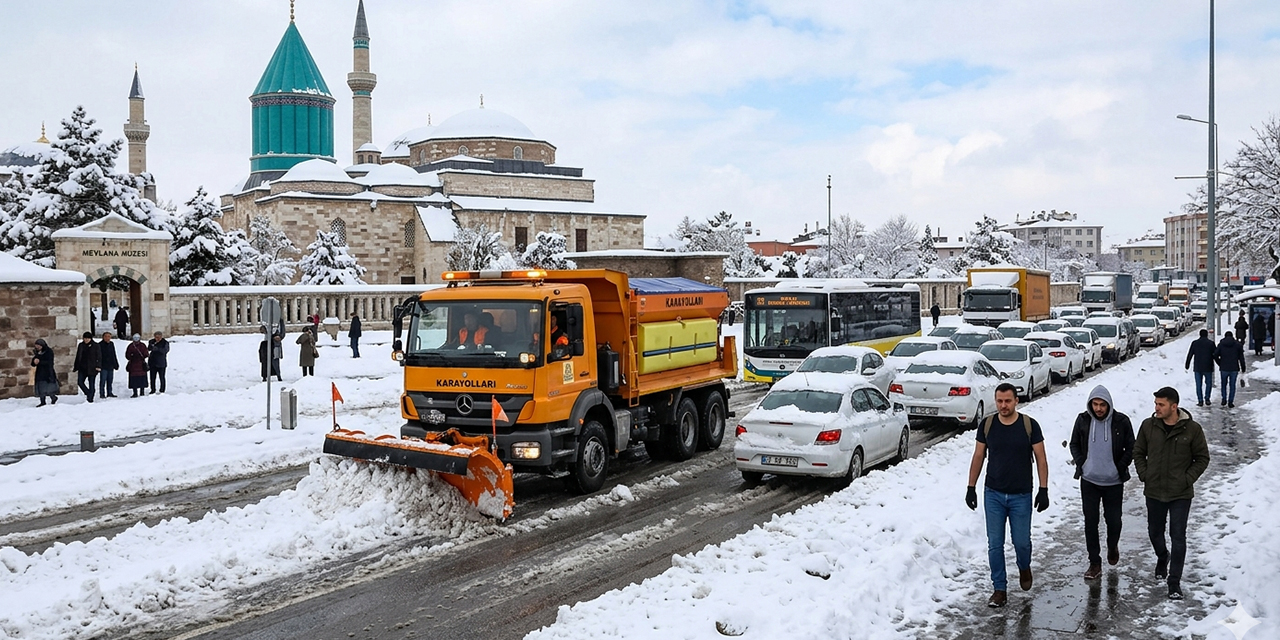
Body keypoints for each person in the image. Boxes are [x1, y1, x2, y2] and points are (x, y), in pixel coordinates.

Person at [966, 383, 1050, 608]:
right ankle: (999, 589)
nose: (1003, 405)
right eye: (1000, 401)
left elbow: (1041, 458)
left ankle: (1024, 566)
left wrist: (1044, 489)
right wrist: (971, 487)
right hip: (993, 493)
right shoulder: (988, 424)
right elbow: (978, 456)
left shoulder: (1029, 425)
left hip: (1021, 495)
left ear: (1016, 401)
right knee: (995, 544)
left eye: (1007, 401)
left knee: (1021, 543)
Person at [1134, 387, 1209, 600]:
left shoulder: (1192, 429)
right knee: (1154, 532)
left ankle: (1174, 582)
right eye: (1156, 404)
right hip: (1154, 490)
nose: (1156, 408)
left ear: (1173, 406)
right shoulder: (1148, 426)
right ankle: (1162, 556)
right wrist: (1145, 474)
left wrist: (1187, 479)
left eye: (1161, 404)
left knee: (1178, 536)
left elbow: (1202, 458)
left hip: (1180, 494)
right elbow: (1138, 452)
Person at [1069, 385, 1135, 580]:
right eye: (1095, 404)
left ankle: (1112, 545)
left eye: (1102, 405)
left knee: (1114, 521)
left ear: (1109, 404)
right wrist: (1083, 462)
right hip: (1089, 480)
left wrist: (1120, 466)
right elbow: (1073, 443)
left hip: (1114, 482)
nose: (1098, 408)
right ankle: (1094, 562)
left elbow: (1131, 446)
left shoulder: (1121, 421)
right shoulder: (1083, 420)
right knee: (1091, 522)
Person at [1213, 330, 1246, 408]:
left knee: (1223, 384)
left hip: (1224, 368)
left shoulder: (1221, 344)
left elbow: (1215, 355)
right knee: (1232, 385)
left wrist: (1219, 363)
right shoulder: (1237, 345)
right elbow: (1241, 358)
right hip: (1234, 368)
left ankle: (1224, 398)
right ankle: (1230, 401)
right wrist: (1243, 368)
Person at [1184, 329, 1215, 407]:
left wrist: (1187, 364)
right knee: (1208, 383)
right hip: (1208, 366)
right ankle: (1207, 398)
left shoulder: (1195, 343)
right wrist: (1220, 363)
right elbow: (1215, 354)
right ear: (1206, 335)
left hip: (1198, 367)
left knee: (1198, 385)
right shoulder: (1211, 344)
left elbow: (1190, 354)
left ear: (1200, 335)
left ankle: (1200, 400)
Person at [72, 331, 101, 403]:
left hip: (92, 367)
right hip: (82, 367)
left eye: (88, 338)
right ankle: (88, 393)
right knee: (80, 382)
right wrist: (76, 366)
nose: (86, 340)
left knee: (91, 383)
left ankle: (90, 398)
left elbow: (99, 356)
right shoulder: (81, 345)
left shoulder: (96, 345)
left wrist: (98, 366)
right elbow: (78, 356)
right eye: (85, 338)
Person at [31, 339, 59, 406]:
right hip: (40, 372)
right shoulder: (37, 352)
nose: (37, 347)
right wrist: (34, 362)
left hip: (48, 372)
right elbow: (33, 362)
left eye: (39, 346)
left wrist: (40, 362)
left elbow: (50, 362)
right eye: (36, 346)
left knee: (49, 387)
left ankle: (53, 397)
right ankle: (42, 402)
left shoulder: (49, 352)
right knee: (41, 387)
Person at [98, 331, 119, 398]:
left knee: (110, 380)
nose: (107, 338)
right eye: (106, 336)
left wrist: (115, 364)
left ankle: (109, 392)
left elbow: (113, 354)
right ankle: (102, 393)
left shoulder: (111, 344)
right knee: (103, 381)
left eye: (109, 337)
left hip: (110, 365)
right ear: (103, 337)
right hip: (103, 366)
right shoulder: (99, 345)